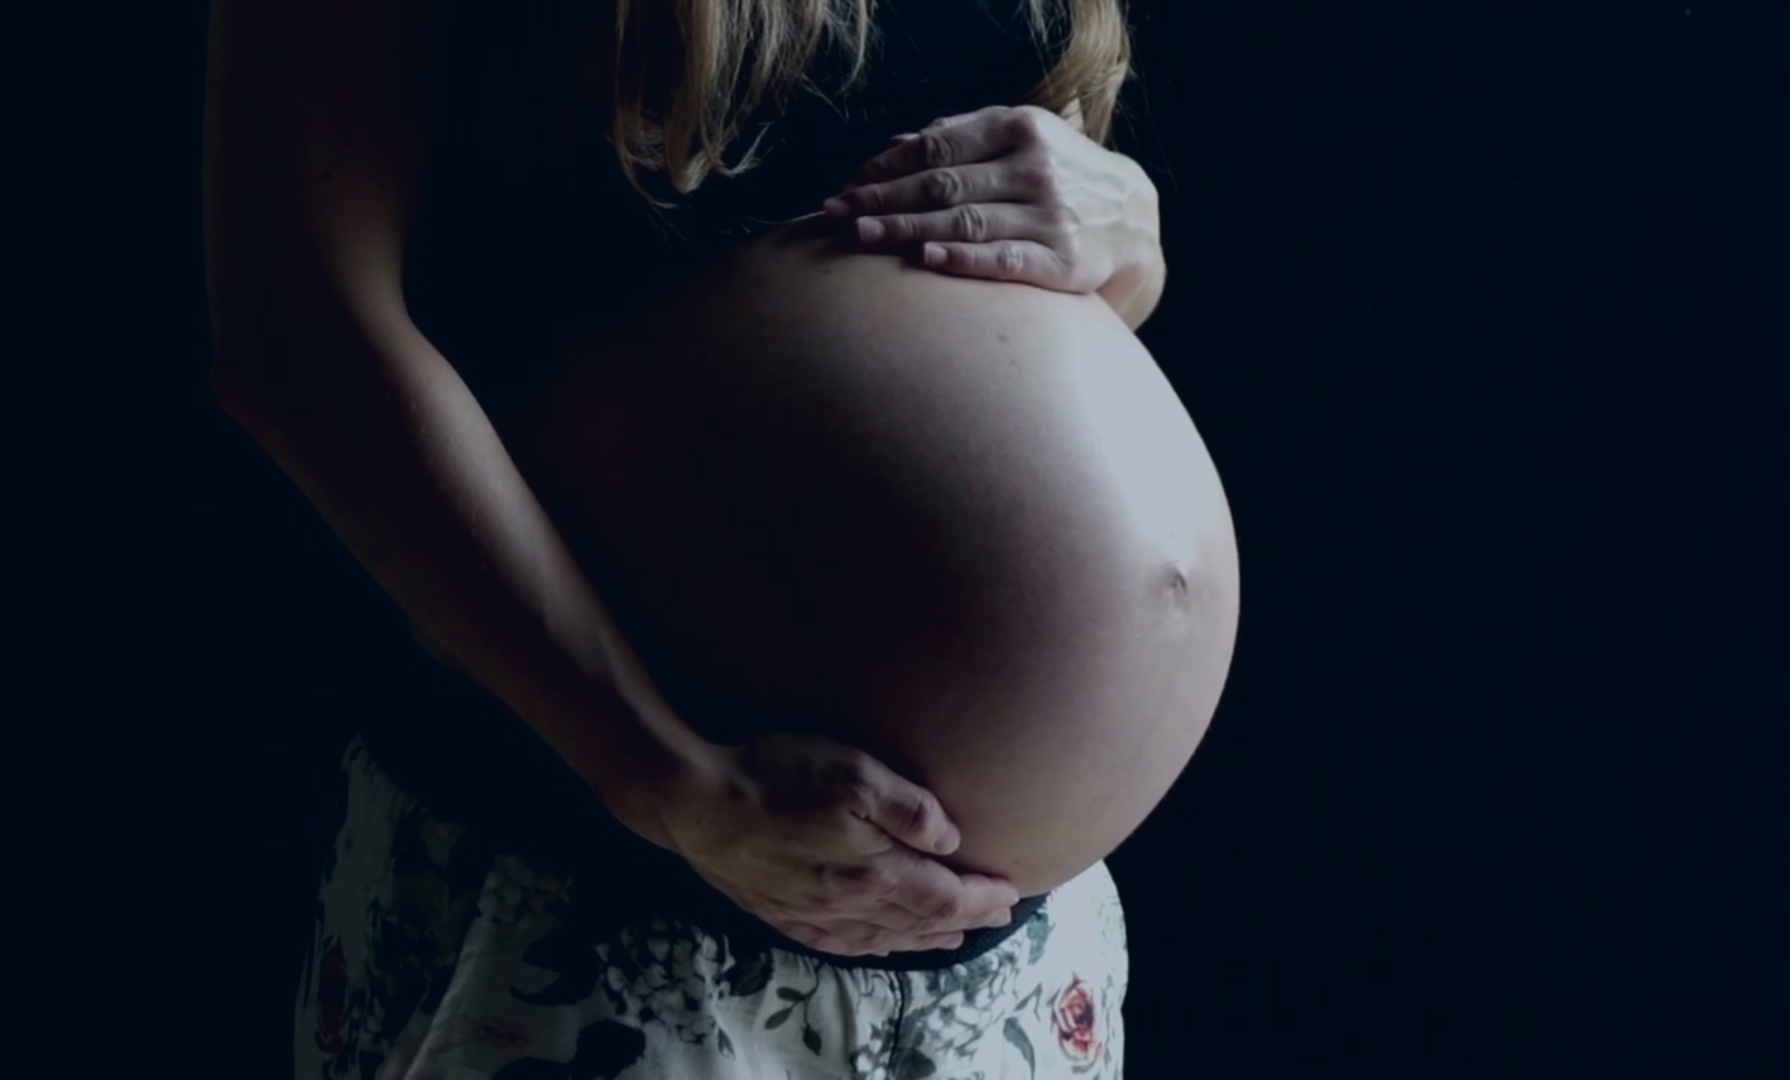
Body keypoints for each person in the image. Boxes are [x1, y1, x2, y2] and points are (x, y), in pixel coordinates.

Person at [206, 0, 1238, 1075]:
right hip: (607, 912)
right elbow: (294, 329)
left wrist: (1129, 231)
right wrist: (658, 774)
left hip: (1011, 968)